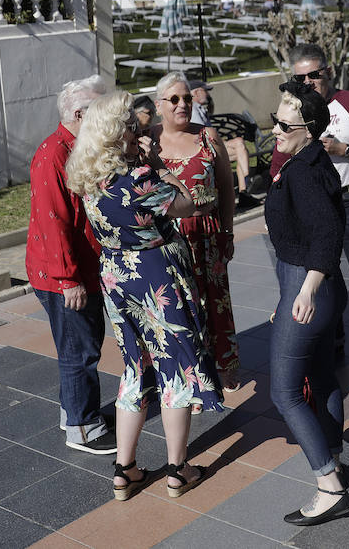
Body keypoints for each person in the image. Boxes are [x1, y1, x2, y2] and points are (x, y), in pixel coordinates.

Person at [68, 92, 224, 501]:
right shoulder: (140, 179)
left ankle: (124, 469)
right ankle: (178, 469)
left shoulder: (89, 179)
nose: (140, 132)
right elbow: (189, 205)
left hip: (116, 276)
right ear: (118, 134)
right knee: (175, 367)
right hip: (156, 276)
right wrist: (156, 164)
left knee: (134, 369)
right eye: (133, 127)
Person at [273, 43, 349, 386]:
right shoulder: (293, 110)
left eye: (315, 74)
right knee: (322, 275)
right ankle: (334, 338)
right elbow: (279, 157)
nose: (309, 81)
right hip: (313, 205)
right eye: (300, 77)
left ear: (328, 72)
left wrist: (343, 149)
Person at [266, 81, 349, 526]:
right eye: (274, 120)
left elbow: (327, 235)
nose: (275, 129)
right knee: (321, 376)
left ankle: (329, 486)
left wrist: (303, 291)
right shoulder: (310, 161)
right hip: (317, 287)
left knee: (283, 391)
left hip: (310, 287)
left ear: (309, 129)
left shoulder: (303, 171)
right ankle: (334, 460)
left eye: (284, 124)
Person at [25, 76, 117, 455]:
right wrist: (68, 280)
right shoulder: (53, 154)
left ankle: (80, 414)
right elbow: (53, 221)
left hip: (80, 270)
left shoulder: (75, 147)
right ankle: (81, 427)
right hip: (65, 275)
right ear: (79, 113)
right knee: (79, 351)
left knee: (84, 346)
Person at [154, 72, 240, 390]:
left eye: (187, 98)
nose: (182, 104)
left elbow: (227, 188)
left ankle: (224, 363)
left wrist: (228, 231)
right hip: (168, 240)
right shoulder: (149, 142)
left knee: (215, 301)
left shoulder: (208, 136)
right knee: (179, 306)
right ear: (159, 104)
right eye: (174, 99)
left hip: (208, 234)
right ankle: (190, 371)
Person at [187, 79, 259, 208]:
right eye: (206, 92)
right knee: (240, 145)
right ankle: (245, 187)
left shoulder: (198, 108)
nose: (208, 95)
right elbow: (204, 135)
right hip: (205, 149)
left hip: (211, 146)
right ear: (197, 93)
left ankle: (244, 191)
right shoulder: (193, 110)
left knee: (240, 148)